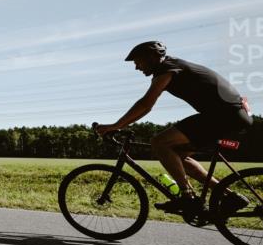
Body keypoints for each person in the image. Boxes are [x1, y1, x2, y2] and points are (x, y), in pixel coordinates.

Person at [95, 41, 252, 215]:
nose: (136, 68)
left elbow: (146, 104)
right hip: (230, 115)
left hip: (223, 115)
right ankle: (229, 196)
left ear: (152, 57)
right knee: (178, 156)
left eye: (137, 62)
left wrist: (115, 125)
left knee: (160, 142)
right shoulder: (173, 66)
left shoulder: (168, 69)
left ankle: (188, 198)